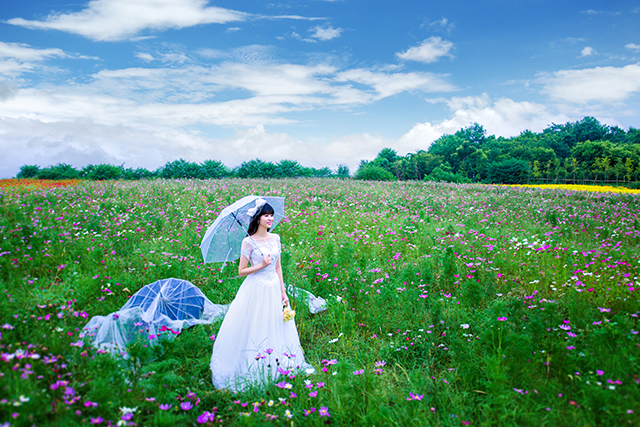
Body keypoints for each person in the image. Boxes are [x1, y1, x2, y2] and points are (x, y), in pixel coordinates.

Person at [210, 201, 313, 391]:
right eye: (266, 215)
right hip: (256, 288)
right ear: (257, 218)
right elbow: (241, 271)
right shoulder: (248, 241)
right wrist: (260, 265)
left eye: (271, 215)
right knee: (257, 323)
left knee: (276, 322)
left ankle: (280, 360)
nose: (270, 219)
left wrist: (283, 292)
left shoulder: (275, 238)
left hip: (274, 286)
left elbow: (278, 267)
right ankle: (255, 363)